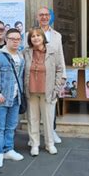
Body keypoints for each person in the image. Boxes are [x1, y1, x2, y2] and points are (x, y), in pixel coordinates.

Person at [0, 28, 25, 168]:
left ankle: (8, 149)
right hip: (0, 99)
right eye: (12, 39)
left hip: (16, 98)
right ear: (6, 40)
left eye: (18, 39)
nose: (15, 41)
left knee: (11, 126)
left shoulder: (21, 57)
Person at [24, 28, 64, 156]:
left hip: (48, 91)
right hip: (31, 91)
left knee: (48, 119)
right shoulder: (25, 52)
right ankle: (34, 144)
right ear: (29, 39)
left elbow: (60, 70)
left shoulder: (53, 51)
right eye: (33, 36)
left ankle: (49, 144)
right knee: (32, 119)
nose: (35, 38)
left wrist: (56, 88)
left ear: (43, 37)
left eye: (38, 35)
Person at [35, 7, 66, 143]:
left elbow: (60, 56)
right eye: (41, 15)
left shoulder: (57, 35)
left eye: (46, 15)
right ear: (37, 17)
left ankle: (51, 132)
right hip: (36, 76)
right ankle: (34, 137)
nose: (44, 17)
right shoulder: (31, 34)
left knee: (51, 104)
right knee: (35, 109)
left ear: (50, 17)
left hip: (52, 75)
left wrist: (62, 75)